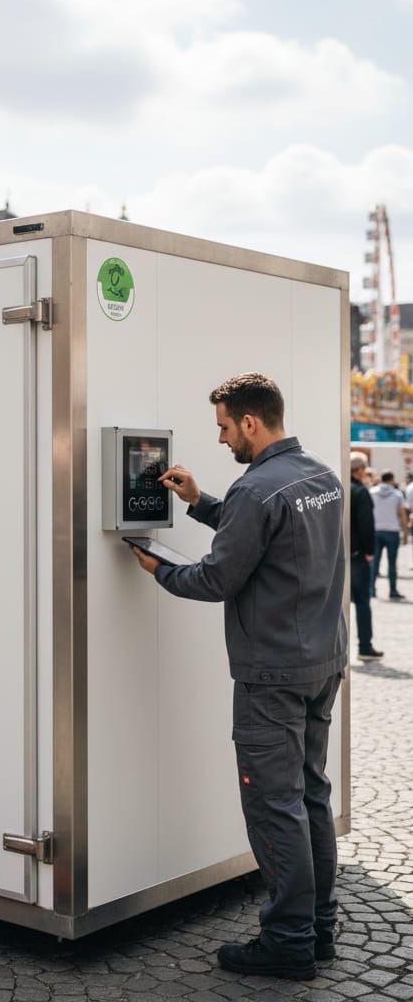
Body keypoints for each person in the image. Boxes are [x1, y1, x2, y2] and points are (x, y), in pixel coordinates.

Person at [129, 373, 347, 981]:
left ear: (250, 422)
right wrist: (200, 502)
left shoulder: (258, 489)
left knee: (275, 806)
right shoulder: (319, 476)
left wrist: (157, 570)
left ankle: (286, 941)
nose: (222, 439)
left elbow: (218, 578)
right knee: (309, 795)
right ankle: (319, 928)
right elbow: (264, 538)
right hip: (321, 661)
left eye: (224, 426)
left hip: (272, 673)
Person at [350, 452, 381, 661]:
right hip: (358, 555)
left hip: (340, 554)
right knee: (362, 601)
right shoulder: (360, 492)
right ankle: (365, 646)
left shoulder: (341, 487)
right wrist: (370, 552)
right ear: (360, 469)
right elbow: (367, 526)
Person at [369, 470, 407, 600]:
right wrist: (405, 532)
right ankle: (392, 590)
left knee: (374, 562)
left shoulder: (372, 492)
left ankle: (371, 589)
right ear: (391, 479)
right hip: (392, 531)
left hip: (376, 530)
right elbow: (402, 514)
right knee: (392, 563)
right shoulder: (397, 494)